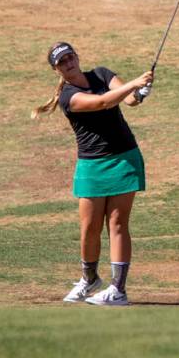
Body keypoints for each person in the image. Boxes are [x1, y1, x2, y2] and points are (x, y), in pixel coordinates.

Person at [32, 41, 153, 306]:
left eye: (70, 57)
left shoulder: (101, 74)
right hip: (91, 166)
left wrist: (140, 92)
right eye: (62, 62)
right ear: (56, 69)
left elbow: (129, 100)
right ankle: (89, 280)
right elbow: (101, 103)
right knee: (89, 228)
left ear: (77, 57)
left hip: (124, 158)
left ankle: (118, 290)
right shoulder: (68, 96)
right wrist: (133, 83)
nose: (69, 63)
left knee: (118, 224)